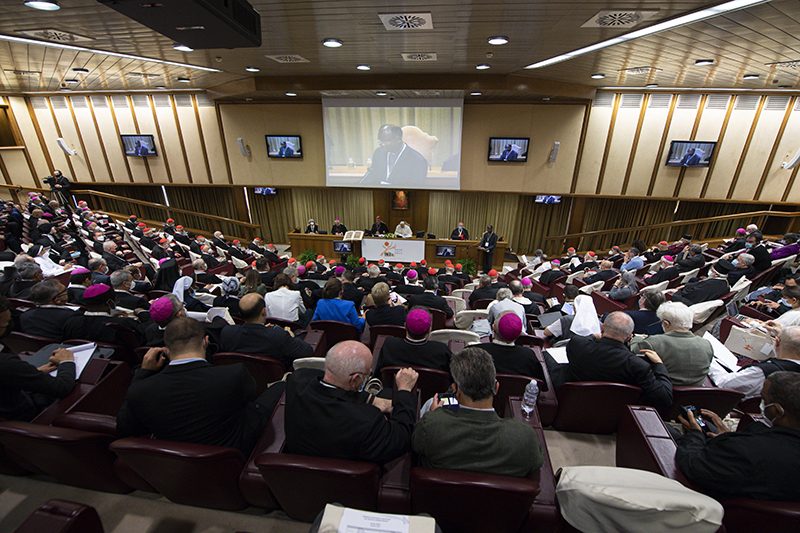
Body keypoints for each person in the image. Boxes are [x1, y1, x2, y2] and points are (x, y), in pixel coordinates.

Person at [116, 318, 280, 455]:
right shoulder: (233, 375)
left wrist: (143, 372)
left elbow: (124, 428)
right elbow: (251, 399)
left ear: (165, 349)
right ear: (206, 341)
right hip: (233, 453)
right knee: (280, 387)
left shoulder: (141, 388)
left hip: (175, 464)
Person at [412, 346, 543, 477]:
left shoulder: (430, 425)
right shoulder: (526, 439)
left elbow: (416, 446)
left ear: (455, 389)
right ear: (496, 388)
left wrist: (434, 416)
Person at [285, 340, 419, 464]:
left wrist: (371, 399)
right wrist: (404, 391)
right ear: (355, 379)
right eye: (367, 374)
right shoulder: (367, 421)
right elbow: (402, 437)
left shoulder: (297, 380)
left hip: (297, 471)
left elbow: (332, 390)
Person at [676, 371, 800, 501]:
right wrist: (729, 438)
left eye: (763, 399)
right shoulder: (746, 446)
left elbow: (692, 466)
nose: (761, 404)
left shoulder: (745, 451)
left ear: (777, 411)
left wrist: (694, 434)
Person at [560, 312, 673, 411]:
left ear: (602, 328)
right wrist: (659, 364)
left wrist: (594, 336)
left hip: (570, 407)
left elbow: (583, 339)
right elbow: (664, 399)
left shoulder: (577, 344)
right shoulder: (638, 365)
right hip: (612, 417)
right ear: (629, 337)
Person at [0, 296, 76, 421]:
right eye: (5, 323)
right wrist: (66, 361)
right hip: (23, 420)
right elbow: (62, 388)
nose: (9, 326)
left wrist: (33, 373)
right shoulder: (7, 363)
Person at [219, 293, 314, 367]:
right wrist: (290, 335)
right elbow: (308, 351)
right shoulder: (278, 335)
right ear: (264, 311)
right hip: (274, 383)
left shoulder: (227, 333)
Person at [709, 323, 800, 399]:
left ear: (776, 341)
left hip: (725, 400)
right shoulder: (793, 372)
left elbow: (723, 383)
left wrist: (708, 358)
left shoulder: (764, 371)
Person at [631, 302, 712, 386]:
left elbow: (633, 352)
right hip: (693, 395)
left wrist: (636, 338)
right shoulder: (707, 345)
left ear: (666, 323)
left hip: (659, 391)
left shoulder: (652, 343)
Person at [376, 308, 451, 372]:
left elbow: (378, 374)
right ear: (429, 329)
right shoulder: (441, 351)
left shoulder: (389, 345)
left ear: (405, 326)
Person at [361, 124, 428, 187]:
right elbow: (372, 175)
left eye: (385, 141)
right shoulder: (378, 153)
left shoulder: (418, 160)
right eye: (380, 141)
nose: (381, 144)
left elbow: (416, 186)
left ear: (398, 140)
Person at [481, 312, 544, 379]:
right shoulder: (529, 356)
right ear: (519, 334)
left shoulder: (477, 351)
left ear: (493, 328)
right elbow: (542, 384)